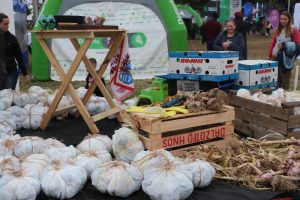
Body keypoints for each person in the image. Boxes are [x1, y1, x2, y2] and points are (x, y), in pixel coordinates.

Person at [268, 11, 300, 90]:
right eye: (281, 19)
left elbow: (297, 44)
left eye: (285, 19)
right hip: (275, 57)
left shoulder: (294, 30)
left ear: (289, 20)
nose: (282, 21)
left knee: (285, 82)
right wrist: (269, 55)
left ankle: (284, 100)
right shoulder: (278, 29)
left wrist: (285, 45)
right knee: (275, 80)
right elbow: (273, 43)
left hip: (286, 59)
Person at [0, 13, 29, 90]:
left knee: (6, 94)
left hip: (11, 71)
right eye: (5, 24)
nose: (8, 26)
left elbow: (19, 56)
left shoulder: (12, 38)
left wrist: (25, 72)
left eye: (8, 24)